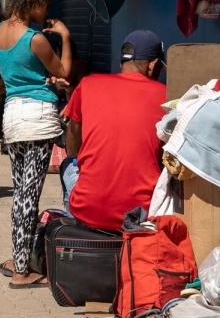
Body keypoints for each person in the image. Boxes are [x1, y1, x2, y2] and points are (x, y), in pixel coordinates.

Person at [0, 0, 71, 288]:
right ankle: (23, 271)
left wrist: (44, 79)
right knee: (30, 196)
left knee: (20, 194)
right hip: (37, 119)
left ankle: (17, 257)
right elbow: (65, 72)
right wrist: (64, 38)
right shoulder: (36, 39)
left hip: (12, 117)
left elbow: (21, 74)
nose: (48, 9)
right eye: (45, 3)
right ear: (33, 1)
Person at [61, 31, 168, 231]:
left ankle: (73, 226)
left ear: (122, 63)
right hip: (141, 215)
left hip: (87, 211)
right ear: (153, 65)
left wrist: (80, 162)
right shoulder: (166, 97)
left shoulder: (88, 84)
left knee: (68, 165)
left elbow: (73, 134)